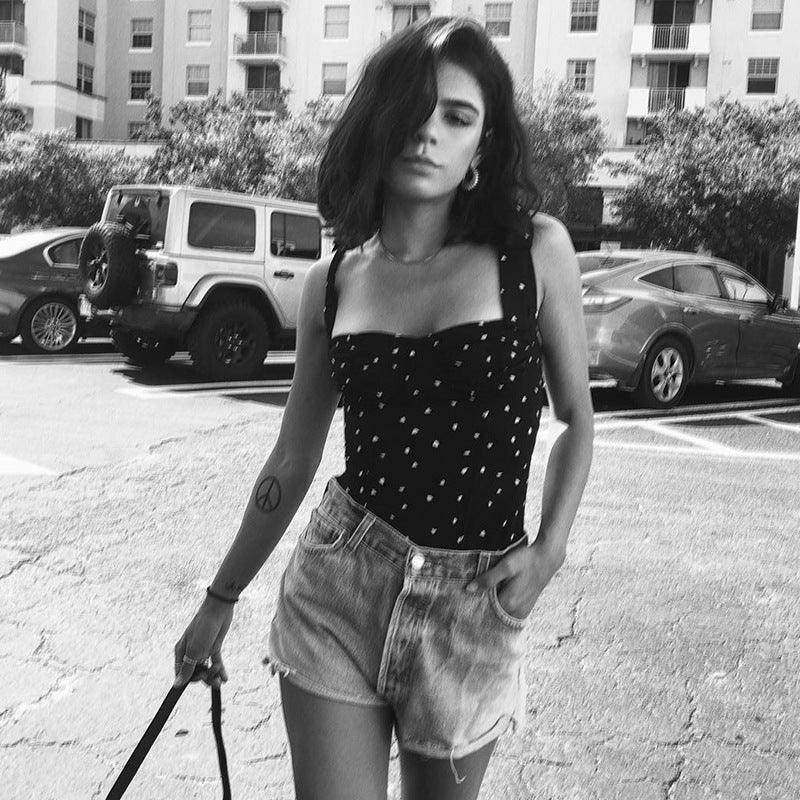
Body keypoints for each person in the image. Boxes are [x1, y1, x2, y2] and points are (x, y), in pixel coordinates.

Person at [173, 15, 594, 800]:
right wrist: (218, 600)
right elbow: (293, 456)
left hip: (474, 601)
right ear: (378, 120)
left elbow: (576, 417)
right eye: (413, 110)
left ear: (482, 146)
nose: (429, 133)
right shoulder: (331, 283)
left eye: (457, 117)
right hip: (340, 587)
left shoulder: (534, 251)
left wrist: (551, 549)